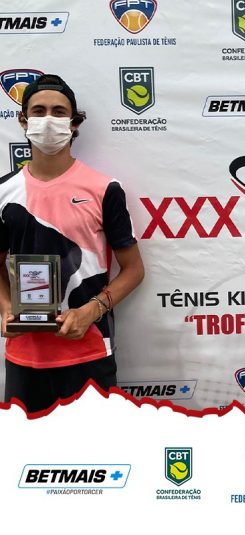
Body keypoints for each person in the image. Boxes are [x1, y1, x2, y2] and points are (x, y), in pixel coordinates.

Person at [0, 73, 144, 414]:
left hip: (90, 351)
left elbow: (134, 270)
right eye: (38, 111)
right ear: (23, 121)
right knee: (26, 449)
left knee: (96, 449)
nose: (48, 119)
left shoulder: (104, 189)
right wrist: (5, 308)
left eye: (59, 112)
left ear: (74, 123)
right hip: (24, 356)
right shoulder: (3, 192)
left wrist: (91, 310)